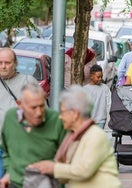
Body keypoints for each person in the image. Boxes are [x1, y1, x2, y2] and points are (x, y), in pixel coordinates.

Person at [28, 85, 121, 188]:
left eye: (62, 112)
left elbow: (84, 170)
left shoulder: (95, 135)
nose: (60, 116)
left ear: (75, 113)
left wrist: (54, 168)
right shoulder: (74, 136)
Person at [0, 83, 66, 188]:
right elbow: (5, 151)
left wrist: (53, 167)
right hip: (16, 184)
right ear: (20, 105)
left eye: (42, 106)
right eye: (33, 107)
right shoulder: (11, 118)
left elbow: (67, 159)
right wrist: (9, 173)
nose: (39, 112)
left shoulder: (56, 121)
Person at [0, 48, 39, 178]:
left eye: (7, 63)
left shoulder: (28, 82)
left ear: (15, 64)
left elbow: (42, 114)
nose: (3, 66)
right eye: (0, 63)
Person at [83, 64, 111, 129]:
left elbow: (109, 103)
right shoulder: (85, 89)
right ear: (91, 76)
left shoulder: (105, 88)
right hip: (88, 121)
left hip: (101, 120)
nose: (100, 79)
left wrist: (110, 117)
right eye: (98, 77)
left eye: (101, 76)